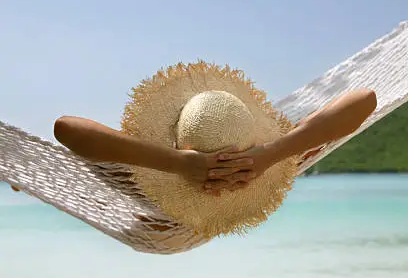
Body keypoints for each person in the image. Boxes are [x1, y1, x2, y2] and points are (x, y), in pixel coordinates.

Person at [52, 88, 377, 195]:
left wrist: (267, 156)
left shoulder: (280, 155)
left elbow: (366, 99)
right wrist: (179, 164)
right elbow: (66, 128)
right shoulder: (154, 196)